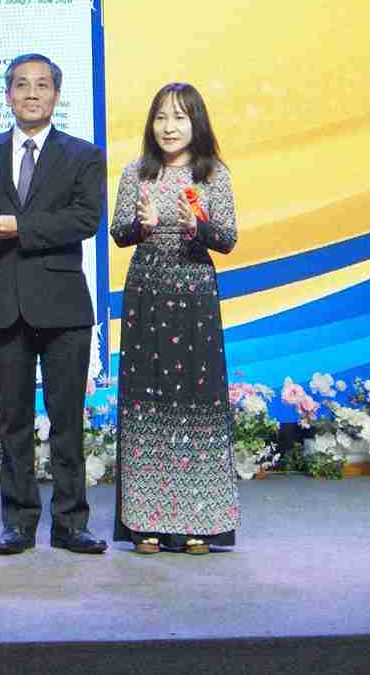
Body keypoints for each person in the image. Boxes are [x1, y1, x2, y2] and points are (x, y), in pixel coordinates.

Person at [0, 53, 107, 555]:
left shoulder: (82, 154)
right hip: (3, 303)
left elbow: (85, 220)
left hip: (63, 306)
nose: (32, 94)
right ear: (8, 95)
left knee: (67, 421)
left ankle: (71, 523)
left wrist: (20, 227)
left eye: (42, 85)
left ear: (56, 95)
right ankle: (18, 522)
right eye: (22, 85)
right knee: (13, 422)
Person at [109, 82, 241, 552]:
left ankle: (197, 524)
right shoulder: (136, 173)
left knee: (196, 403)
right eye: (161, 117)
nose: (169, 127)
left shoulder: (214, 174)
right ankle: (145, 522)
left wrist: (197, 227)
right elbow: (118, 232)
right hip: (146, 295)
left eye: (179, 117)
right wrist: (141, 226)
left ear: (196, 123)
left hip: (195, 299)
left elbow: (228, 239)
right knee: (147, 401)